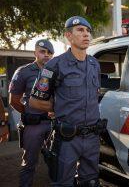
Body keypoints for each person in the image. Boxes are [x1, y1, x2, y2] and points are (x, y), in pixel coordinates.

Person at [29, 16, 102, 187]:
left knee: (91, 182)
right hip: (67, 139)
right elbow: (34, 101)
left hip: (92, 137)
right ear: (68, 36)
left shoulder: (94, 64)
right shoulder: (54, 65)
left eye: (88, 31)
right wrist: (59, 106)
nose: (86, 35)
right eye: (80, 30)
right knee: (63, 183)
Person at [8, 39, 54, 187]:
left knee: (57, 162)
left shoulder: (57, 71)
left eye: (50, 53)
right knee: (29, 163)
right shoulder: (23, 72)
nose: (46, 55)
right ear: (35, 53)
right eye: (43, 52)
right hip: (33, 126)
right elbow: (14, 100)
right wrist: (28, 113)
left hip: (54, 124)